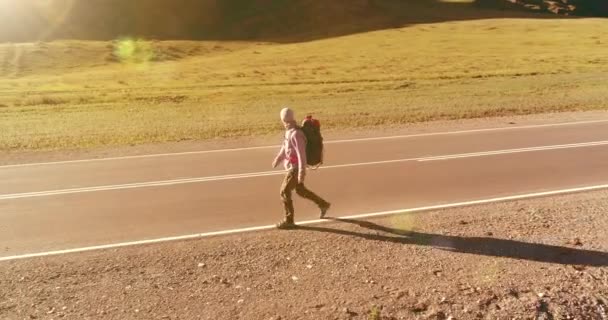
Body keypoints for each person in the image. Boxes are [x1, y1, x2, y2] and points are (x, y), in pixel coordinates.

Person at [272, 107, 331, 229]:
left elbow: (301, 155)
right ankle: (323, 204)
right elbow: (285, 147)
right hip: (291, 168)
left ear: (283, 119)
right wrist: (278, 158)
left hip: (295, 169)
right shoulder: (289, 131)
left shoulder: (296, 134)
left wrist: (301, 173)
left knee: (284, 191)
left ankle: (289, 220)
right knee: (300, 190)